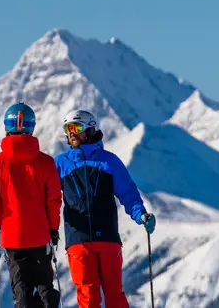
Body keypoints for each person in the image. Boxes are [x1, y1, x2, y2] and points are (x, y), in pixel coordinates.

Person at [54, 110, 157, 308]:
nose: (71, 133)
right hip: (78, 239)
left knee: (114, 294)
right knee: (87, 295)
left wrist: (141, 215)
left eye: (76, 128)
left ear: (90, 129)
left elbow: (128, 193)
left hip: (108, 237)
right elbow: (47, 196)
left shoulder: (109, 161)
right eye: (68, 129)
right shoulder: (60, 164)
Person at [0, 103, 63, 308]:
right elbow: (53, 200)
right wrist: (53, 228)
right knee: (45, 283)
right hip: (40, 235)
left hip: (12, 236)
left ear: (6, 128)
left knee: (21, 288)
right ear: (32, 128)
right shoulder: (46, 162)